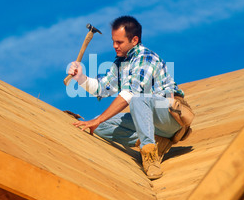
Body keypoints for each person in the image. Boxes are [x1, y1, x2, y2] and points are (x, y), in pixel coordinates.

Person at [68, 16, 191, 180]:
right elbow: (101, 88)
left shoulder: (146, 58)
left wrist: (97, 120)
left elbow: (131, 94)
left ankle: (150, 156)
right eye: (113, 41)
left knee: (138, 98)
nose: (114, 46)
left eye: (119, 42)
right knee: (97, 126)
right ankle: (157, 142)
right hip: (148, 121)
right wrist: (80, 78)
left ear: (134, 40)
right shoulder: (120, 63)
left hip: (170, 117)